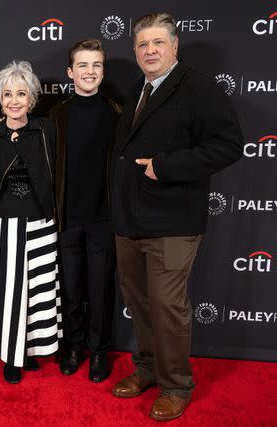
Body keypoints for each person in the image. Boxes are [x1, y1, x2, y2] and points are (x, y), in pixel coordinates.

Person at [110, 13, 243, 421]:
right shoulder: (137, 89)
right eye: (142, 45)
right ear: (135, 51)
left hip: (172, 221)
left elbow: (228, 145)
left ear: (174, 47)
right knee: (139, 302)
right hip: (129, 219)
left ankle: (176, 385)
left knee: (167, 305)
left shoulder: (199, 88)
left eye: (157, 43)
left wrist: (166, 166)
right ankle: (148, 367)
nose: (150, 51)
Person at [0, 60, 62, 384]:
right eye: (8, 94)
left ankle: (30, 349)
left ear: (32, 99)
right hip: (4, 223)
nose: (14, 101)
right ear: (0, 98)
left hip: (40, 222)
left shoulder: (45, 130)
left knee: (37, 290)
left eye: (21, 94)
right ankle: (11, 357)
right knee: (7, 293)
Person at [49, 39, 121, 383]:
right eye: (83, 65)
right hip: (66, 219)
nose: (89, 72)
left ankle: (99, 352)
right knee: (71, 290)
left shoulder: (117, 113)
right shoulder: (57, 114)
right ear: (70, 72)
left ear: (102, 72)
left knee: (101, 290)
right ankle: (73, 347)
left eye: (96, 66)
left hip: (103, 220)